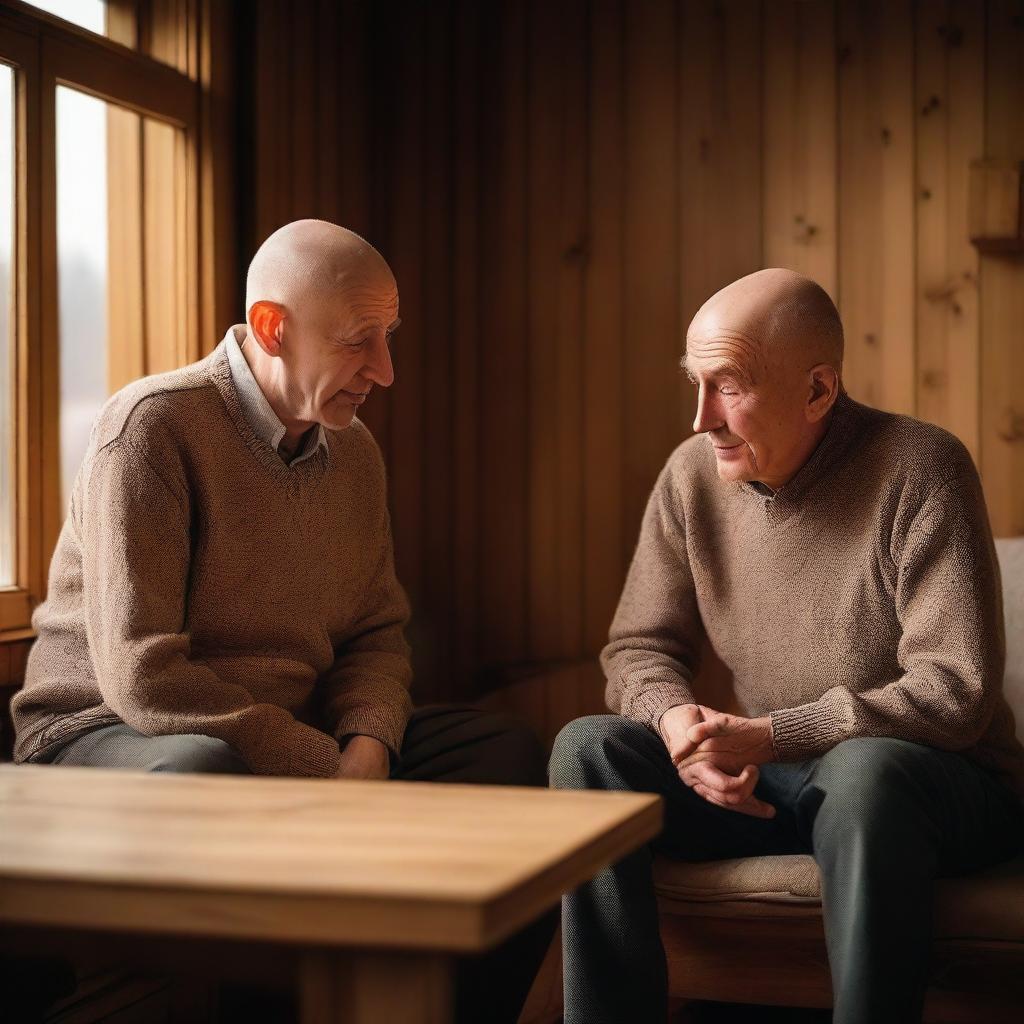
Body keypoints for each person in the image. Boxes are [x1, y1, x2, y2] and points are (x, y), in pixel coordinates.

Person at [12, 219, 554, 1023]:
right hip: (109, 733)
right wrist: (320, 764)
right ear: (273, 327)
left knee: (510, 758)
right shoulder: (152, 428)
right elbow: (143, 675)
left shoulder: (355, 452)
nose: (386, 370)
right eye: (359, 342)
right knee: (213, 781)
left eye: (390, 337)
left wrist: (369, 744)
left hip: (290, 732)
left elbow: (375, 630)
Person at [549, 268, 1024, 1024]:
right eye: (694, 383)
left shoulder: (921, 467)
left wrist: (770, 736)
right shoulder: (690, 478)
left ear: (818, 391)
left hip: (937, 785)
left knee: (863, 772)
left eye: (729, 385)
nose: (702, 417)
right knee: (587, 747)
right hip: (779, 784)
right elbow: (637, 648)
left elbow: (955, 692)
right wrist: (683, 732)